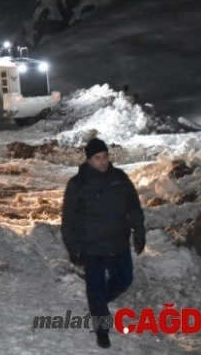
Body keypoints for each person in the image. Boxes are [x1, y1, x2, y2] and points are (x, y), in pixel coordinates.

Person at [61, 138, 146, 349]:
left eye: (105, 156)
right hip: (92, 246)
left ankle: (98, 304)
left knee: (124, 279)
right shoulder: (77, 185)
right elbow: (68, 220)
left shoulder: (119, 178)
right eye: (98, 158)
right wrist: (74, 248)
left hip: (118, 241)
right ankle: (102, 328)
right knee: (95, 288)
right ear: (89, 160)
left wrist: (139, 232)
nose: (103, 161)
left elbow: (133, 207)